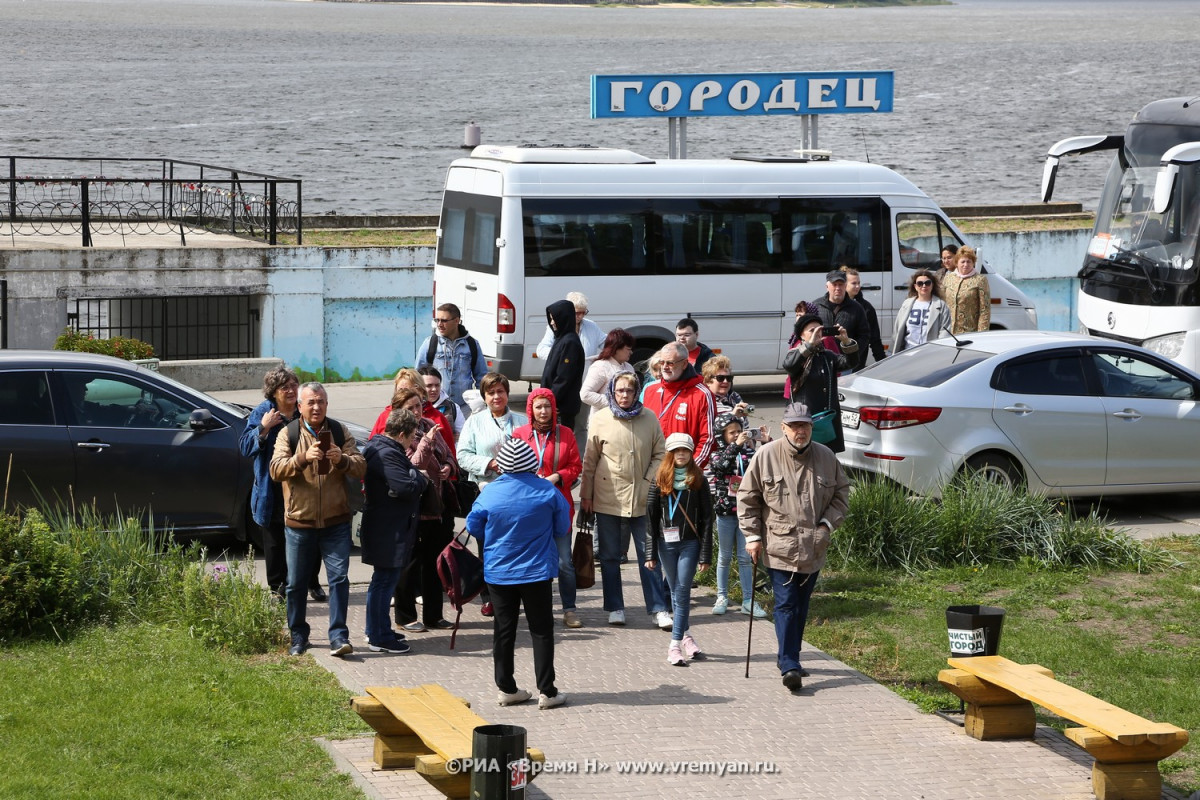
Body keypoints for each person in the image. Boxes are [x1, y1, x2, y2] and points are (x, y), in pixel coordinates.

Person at [738, 403, 850, 692]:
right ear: (784, 428)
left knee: (801, 606)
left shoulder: (826, 457)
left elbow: (841, 494)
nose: (800, 431)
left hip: (814, 544)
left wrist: (826, 525)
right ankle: (789, 665)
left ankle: (790, 658)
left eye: (805, 426)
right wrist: (752, 536)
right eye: (795, 426)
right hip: (779, 545)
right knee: (786, 603)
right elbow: (748, 498)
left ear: (812, 428)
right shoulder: (766, 455)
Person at [466, 438, 571, 711]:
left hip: (499, 572)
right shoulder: (548, 491)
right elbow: (562, 527)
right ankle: (547, 690)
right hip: (537, 572)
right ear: (531, 462)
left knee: (503, 631)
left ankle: (506, 688)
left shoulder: (489, 493)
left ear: (503, 465)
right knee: (541, 631)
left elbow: (473, 525)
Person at [270, 382, 367, 658]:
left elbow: (361, 465)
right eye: (311, 402)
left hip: (336, 522)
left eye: (321, 401)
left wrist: (342, 459)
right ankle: (299, 636)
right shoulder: (287, 434)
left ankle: (339, 637)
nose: (316, 407)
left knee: (339, 580)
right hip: (300, 523)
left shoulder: (338, 431)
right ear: (299, 406)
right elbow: (276, 470)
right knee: (296, 583)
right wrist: (302, 458)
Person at [579, 372, 670, 629]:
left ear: (637, 392)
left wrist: (648, 480)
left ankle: (658, 608)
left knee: (649, 555)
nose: (624, 396)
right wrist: (586, 495)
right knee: (609, 556)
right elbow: (590, 460)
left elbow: (661, 454)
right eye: (620, 391)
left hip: (642, 499)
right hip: (608, 497)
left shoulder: (649, 417)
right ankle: (615, 607)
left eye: (629, 391)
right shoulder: (600, 419)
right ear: (612, 392)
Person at [238, 367, 325, 602]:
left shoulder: (303, 409)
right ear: (273, 392)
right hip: (273, 488)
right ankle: (277, 589)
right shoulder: (264, 412)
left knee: (309, 537)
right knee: (275, 542)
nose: (290, 390)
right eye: (284, 387)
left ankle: (312, 582)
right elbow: (245, 447)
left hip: (304, 486)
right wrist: (263, 428)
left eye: (293, 385)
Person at [513, 388, 583, 629]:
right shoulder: (520, 434)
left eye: (547, 406)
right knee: (535, 561)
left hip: (559, 504)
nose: (543, 411)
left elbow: (575, 466)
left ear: (554, 409)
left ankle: (569, 609)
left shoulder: (566, 434)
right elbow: (511, 467)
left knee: (564, 561)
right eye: (538, 406)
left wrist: (556, 477)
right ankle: (538, 610)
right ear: (530, 409)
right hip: (530, 508)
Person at [389, 387, 457, 633]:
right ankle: (405, 617)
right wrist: (426, 441)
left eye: (419, 406)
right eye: (410, 408)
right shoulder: (399, 433)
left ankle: (434, 616)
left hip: (436, 506)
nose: (417, 411)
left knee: (435, 563)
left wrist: (448, 466)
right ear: (399, 410)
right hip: (415, 508)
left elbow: (449, 452)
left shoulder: (429, 423)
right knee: (410, 565)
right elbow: (412, 464)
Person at [359, 408, 426, 654]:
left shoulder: (384, 448)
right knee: (384, 582)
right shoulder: (387, 453)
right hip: (387, 529)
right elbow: (405, 486)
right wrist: (420, 478)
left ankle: (378, 630)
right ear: (401, 434)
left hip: (386, 527)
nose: (412, 442)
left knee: (383, 581)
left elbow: (405, 482)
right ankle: (378, 636)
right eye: (411, 437)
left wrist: (413, 476)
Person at [645, 433, 713, 666]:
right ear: (669, 454)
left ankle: (674, 646)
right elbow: (651, 520)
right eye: (676, 451)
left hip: (689, 543)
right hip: (666, 543)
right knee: (675, 590)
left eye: (685, 450)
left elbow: (707, 519)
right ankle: (687, 637)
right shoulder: (659, 479)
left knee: (682, 591)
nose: (681, 454)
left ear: (692, 453)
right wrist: (650, 553)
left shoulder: (698, 480)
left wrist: (705, 554)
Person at [708, 412, 767, 618]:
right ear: (721, 435)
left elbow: (763, 465)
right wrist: (735, 446)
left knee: (745, 557)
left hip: (746, 514)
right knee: (724, 557)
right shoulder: (718, 453)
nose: (736, 435)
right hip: (725, 512)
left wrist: (765, 443)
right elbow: (720, 468)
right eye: (731, 433)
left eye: (739, 431)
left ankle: (748, 599)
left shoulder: (748, 453)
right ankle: (721, 596)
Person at [783, 314, 854, 454]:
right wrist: (809, 345)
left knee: (826, 460)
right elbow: (789, 365)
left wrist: (846, 342)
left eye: (819, 329)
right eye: (812, 330)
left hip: (826, 422)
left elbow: (850, 362)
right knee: (804, 458)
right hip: (803, 420)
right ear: (801, 336)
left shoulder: (828, 356)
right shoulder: (795, 354)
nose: (817, 333)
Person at [642, 341, 717, 468]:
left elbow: (708, 439)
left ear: (684, 364)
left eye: (670, 363)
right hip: (652, 470)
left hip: (684, 470)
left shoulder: (702, 394)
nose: (665, 367)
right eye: (662, 362)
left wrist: (691, 469)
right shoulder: (650, 390)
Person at [416, 303, 488, 419]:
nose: (439, 324)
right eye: (437, 320)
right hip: (436, 408)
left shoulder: (472, 344)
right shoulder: (430, 343)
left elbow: (482, 377)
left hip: (465, 409)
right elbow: (417, 376)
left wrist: (482, 402)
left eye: (444, 320)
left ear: (456, 321)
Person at [457, 372, 527, 485]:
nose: (496, 397)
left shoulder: (523, 421)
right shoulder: (474, 421)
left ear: (507, 394)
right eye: (491, 393)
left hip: (518, 485)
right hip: (484, 486)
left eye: (500, 391)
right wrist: (491, 464)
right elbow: (463, 456)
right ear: (484, 397)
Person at [371, 367, 455, 453]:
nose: (403, 394)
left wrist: (448, 465)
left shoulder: (437, 418)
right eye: (400, 390)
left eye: (408, 390)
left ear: (421, 391)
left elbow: (450, 452)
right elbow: (373, 448)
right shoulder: (385, 416)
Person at [541, 299, 586, 432]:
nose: (552, 323)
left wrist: (550, 400)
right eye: (551, 319)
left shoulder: (570, 342)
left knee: (559, 446)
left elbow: (564, 377)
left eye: (555, 319)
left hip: (561, 408)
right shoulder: (561, 339)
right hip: (554, 405)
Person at [535, 291, 606, 368]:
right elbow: (541, 350)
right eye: (577, 313)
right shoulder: (555, 326)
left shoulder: (592, 326)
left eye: (584, 312)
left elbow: (606, 343)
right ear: (568, 311)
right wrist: (564, 355)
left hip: (586, 375)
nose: (581, 316)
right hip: (565, 374)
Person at [579, 327, 636, 421]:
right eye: (628, 349)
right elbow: (585, 394)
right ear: (617, 349)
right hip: (603, 422)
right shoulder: (600, 366)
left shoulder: (629, 367)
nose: (631, 352)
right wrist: (614, 401)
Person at [811, 270, 868, 357]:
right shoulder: (816, 306)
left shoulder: (856, 308)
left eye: (840, 284)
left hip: (845, 361)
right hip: (820, 359)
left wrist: (853, 353)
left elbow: (864, 335)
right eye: (834, 284)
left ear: (845, 286)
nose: (838, 288)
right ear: (827, 286)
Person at [893, 269, 951, 353]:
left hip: (929, 354)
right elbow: (897, 331)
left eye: (927, 283)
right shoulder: (907, 304)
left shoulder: (941, 305)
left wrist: (939, 353)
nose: (924, 286)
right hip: (908, 352)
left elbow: (944, 332)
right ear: (915, 286)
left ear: (932, 285)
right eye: (920, 283)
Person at [841, 266, 886, 371]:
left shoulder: (867, 308)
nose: (857, 286)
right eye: (853, 283)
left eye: (858, 283)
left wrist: (883, 363)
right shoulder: (834, 305)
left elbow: (875, 339)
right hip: (837, 361)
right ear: (844, 284)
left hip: (857, 363)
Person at [942, 245, 991, 334]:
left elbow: (985, 310)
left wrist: (981, 334)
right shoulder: (949, 278)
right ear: (957, 263)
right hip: (948, 332)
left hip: (970, 332)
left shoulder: (980, 279)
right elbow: (942, 304)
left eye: (969, 262)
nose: (966, 265)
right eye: (963, 262)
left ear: (973, 263)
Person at [701, 355, 756, 421]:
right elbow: (710, 428)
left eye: (729, 378)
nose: (725, 381)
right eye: (720, 378)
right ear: (708, 381)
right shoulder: (704, 400)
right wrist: (733, 416)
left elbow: (744, 426)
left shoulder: (734, 396)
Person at [419, 365, 464, 438]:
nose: (434, 389)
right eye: (429, 386)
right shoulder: (412, 408)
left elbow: (462, 436)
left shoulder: (453, 407)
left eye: (437, 385)